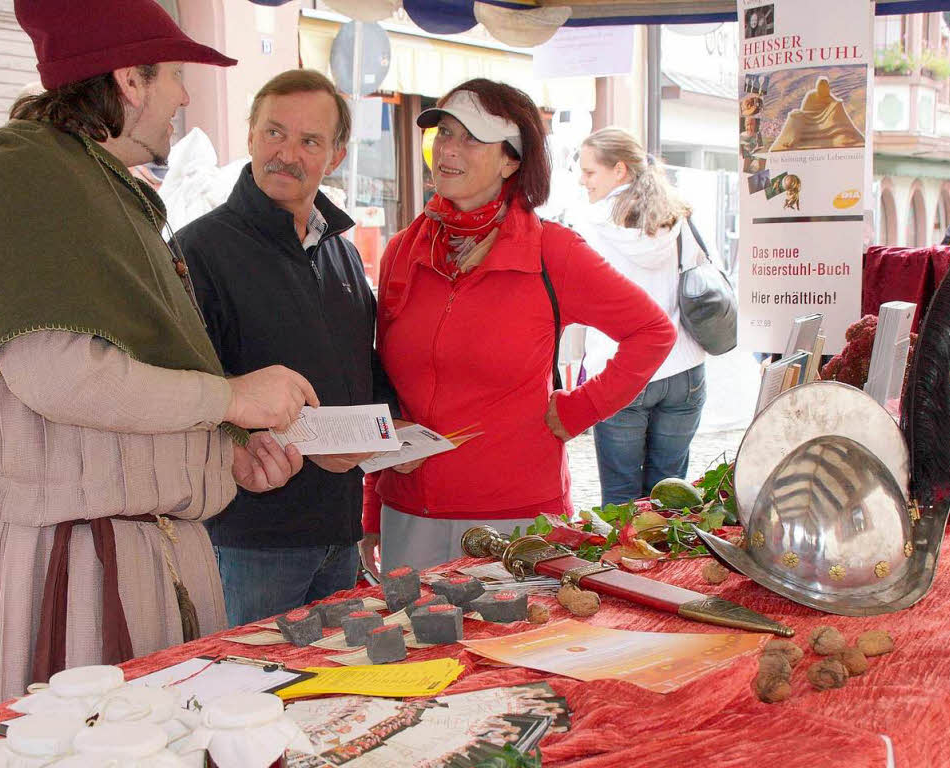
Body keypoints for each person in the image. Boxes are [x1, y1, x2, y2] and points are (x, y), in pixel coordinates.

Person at [0, 0, 318, 710]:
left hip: (144, 552)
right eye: (173, 74)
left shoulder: (102, 184)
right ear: (129, 80)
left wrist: (220, 454)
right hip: (82, 569)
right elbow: (56, 372)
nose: (182, 94)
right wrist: (231, 399)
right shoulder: (26, 169)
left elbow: (123, 388)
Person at [360, 80, 676, 575]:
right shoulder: (403, 250)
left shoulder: (554, 251)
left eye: (470, 138)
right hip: (410, 514)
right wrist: (372, 509)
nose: (448, 148)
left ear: (511, 160)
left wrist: (577, 410)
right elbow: (385, 388)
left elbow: (652, 332)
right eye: (444, 132)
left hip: (517, 521)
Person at [174, 70, 397, 625]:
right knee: (249, 697)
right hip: (250, 539)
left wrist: (388, 430)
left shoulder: (340, 252)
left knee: (333, 699)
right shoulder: (197, 250)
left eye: (309, 141)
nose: (286, 154)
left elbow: (358, 371)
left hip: (338, 531)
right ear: (250, 135)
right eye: (274, 133)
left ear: (336, 155)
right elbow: (181, 390)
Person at [572, 127, 708, 505]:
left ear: (618, 170)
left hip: (621, 370)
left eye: (589, 172)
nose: (583, 181)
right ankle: (671, 565)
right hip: (683, 368)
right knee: (671, 497)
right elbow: (699, 277)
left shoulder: (590, 223)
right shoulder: (677, 216)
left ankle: (624, 566)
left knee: (621, 501)